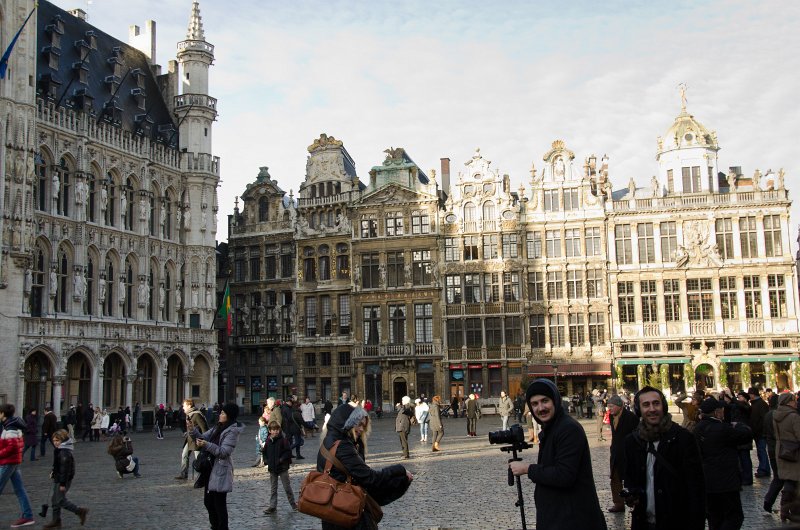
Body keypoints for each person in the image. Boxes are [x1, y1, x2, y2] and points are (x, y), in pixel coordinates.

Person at [508, 379, 606, 529]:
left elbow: (564, 475)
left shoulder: (568, 429)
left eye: (544, 401)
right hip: (559, 516)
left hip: (573, 519)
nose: (540, 408)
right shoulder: (551, 428)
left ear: (554, 400)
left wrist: (528, 468)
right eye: (534, 404)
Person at [316, 402, 412, 529]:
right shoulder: (342, 447)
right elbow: (370, 478)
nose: (361, 429)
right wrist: (400, 471)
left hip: (333, 511)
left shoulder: (329, 441)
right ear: (346, 422)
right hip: (345, 512)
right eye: (359, 424)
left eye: (364, 426)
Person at [623, 386, 705, 530]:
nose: (652, 409)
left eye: (656, 403)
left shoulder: (683, 439)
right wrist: (632, 493)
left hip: (677, 522)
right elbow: (630, 478)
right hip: (643, 523)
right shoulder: (632, 442)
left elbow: (696, 487)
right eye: (646, 405)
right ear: (638, 409)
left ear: (664, 406)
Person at [694, 397, 752, 529]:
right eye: (721, 410)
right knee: (734, 516)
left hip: (708, 481)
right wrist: (739, 425)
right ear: (716, 412)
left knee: (715, 517)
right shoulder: (722, 429)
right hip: (726, 481)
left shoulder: (698, 428)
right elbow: (746, 435)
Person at [192, 403, 244, 530]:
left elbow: (224, 452)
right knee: (208, 502)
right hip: (209, 469)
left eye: (222, 413)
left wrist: (206, 445)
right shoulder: (218, 427)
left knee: (219, 504)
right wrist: (192, 431)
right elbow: (204, 437)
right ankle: (215, 526)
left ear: (228, 416)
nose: (220, 415)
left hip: (220, 469)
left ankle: (222, 527)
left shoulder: (232, 431)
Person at [43, 429, 88, 529]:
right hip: (59, 477)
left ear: (62, 440)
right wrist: (53, 472)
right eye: (54, 440)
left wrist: (63, 484)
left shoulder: (64, 452)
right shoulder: (60, 450)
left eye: (57, 440)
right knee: (54, 500)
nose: (55, 443)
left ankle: (80, 511)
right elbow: (58, 465)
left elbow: (65, 469)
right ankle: (56, 521)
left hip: (63, 479)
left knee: (60, 500)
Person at [0, 404, 35, 527]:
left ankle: (27, 515)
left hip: (8, 462)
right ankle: (27, 515)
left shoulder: (10, 428)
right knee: (19, 489)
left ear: (3, 414)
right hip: (13, 461)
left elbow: (12, 447)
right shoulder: (13, 425)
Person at [607, 394, 638, 513]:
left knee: (631, 479)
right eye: (608, 406)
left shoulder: (630, 417)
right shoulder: (611, 416)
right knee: (615, 478)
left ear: (619, 406)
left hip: (628, 453)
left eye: (611, 406)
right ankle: (618, 503)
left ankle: (635, 503)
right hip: (615, 453)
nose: (609, 409)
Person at [773, 391, 800, 521]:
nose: (795, 402)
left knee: (789, 478)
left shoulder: (775, 415)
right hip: (794, 451)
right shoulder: (794, 416)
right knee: (793, 479)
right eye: (794, 400)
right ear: (789, 402)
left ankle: (788, 509)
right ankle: (788, 509)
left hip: (781, 449)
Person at [262, 420, 296, 514]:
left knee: (287, 487)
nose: (275, 431)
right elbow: (264, 452)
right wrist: (266, 461)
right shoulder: (268, 441)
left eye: (277, 430)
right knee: (273, 488)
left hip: (282, 468)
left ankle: (293, 505)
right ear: (270, 431)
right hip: (272, 468)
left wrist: (281, 459)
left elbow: (288, 451)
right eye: (273, 430)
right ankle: (272, 506)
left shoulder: (283, 440)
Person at [176, 399, 209, 480]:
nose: (183, 407)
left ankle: (202, 475)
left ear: (189, 405)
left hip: (197, 440)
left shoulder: (197, 415)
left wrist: (203, 440)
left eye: (184, 406)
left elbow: (204, 428)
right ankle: (184, 474)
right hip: (189, 440)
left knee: (199, 458)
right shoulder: (189, 414)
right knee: (184, 454)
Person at [763, 390, 784, 514]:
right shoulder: (777, 415)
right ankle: (786, 505)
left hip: (771, 448)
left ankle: (769, 500)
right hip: (780, 449)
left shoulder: (768, 414)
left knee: (778, 477)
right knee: (785, 477)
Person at [749, 387, 771, 479]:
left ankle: (763, 469)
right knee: (761, 451)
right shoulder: (756, 404)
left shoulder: (760, 404)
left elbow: (763, 419)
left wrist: (759, 429)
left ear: (753, 394)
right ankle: (764, 469)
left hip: (760, 432)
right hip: (758, 432)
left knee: (761, 451)